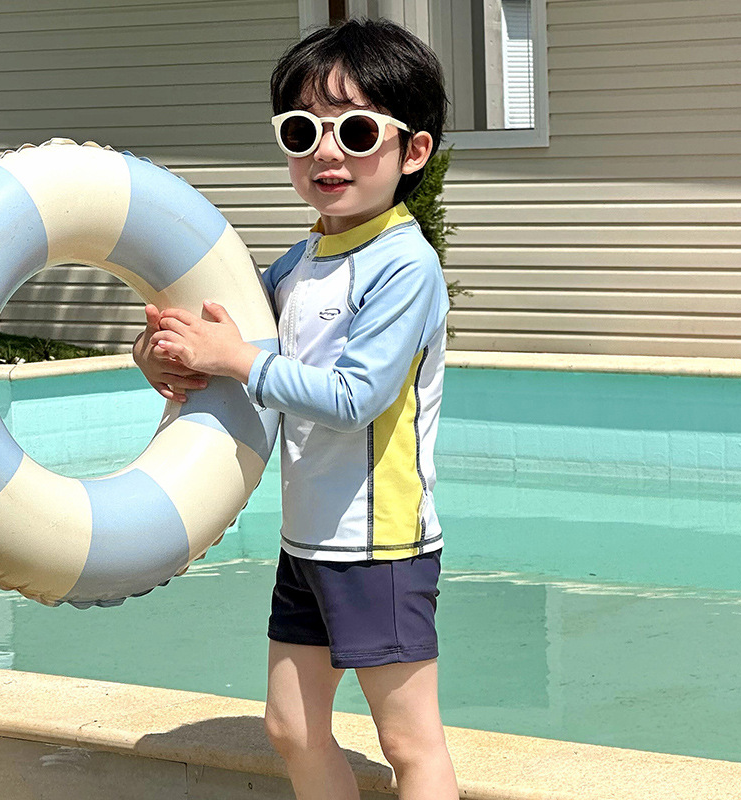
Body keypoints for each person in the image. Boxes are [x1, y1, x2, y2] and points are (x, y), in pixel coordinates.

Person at [133, 18, 458, 800]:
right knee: (291, 727)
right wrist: (164, 355)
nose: (326, 152)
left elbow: (355, 398)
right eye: (302, 130)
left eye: (356, 130)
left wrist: (235, 359)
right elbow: (228, 337)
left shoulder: (404, 265)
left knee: (409, 741)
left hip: (378, 545)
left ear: (413, 151)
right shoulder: (304, 259)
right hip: (308, 540)